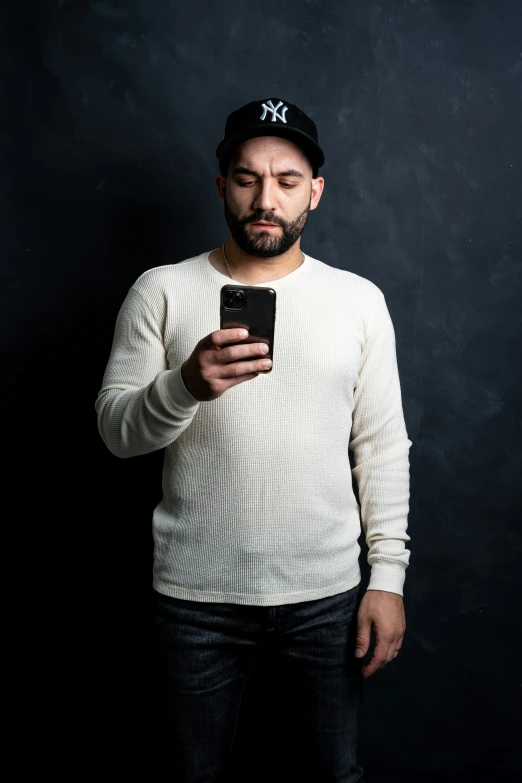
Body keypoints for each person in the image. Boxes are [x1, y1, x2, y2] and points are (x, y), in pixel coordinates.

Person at [95, 97, 412, 783]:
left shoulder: (358, 300)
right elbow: (116, 433)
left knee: (333, 775)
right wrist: (185, 385)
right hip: (194, 599)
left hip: (327, 596)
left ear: (315, 192)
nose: (265, 198)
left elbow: (382, 446)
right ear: (221, 185)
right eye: (246, 178)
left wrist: (388, 577)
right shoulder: (163, 290)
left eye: (287, 179)